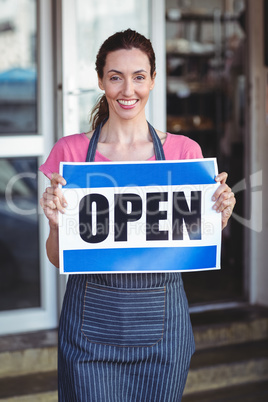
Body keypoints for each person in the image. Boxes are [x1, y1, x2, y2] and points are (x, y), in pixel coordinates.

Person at [39, 29, 236, 402]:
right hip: (89, 335)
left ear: (153, 80)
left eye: (138, 77)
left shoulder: (184, 152)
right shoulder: (71, 154)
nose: (127, 90)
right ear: (101, 80)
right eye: (115, 77)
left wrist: (218, 212)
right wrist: (54, 225)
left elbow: (196, 242)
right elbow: (56, 257)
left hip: (164, 335)